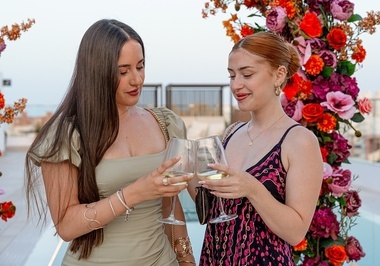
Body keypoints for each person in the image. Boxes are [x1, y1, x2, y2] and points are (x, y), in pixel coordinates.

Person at [24, 19, 196, 266]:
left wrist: (186, 260)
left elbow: (171, 204)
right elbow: (65, 226)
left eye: (140, 66)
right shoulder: (67, 135)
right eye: (123, 71)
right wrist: (134, 193)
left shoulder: (164, 123)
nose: (136, 80)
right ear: (97, 72)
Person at [196, 31, 323, 265]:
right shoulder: (231, 132)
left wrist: (252, 188)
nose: (236, 85)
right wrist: (187, 180)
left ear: (279, 74)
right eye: (232, 76)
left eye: (247, 74)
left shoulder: (299, 141)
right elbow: (212, 212)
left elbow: (295, 232)